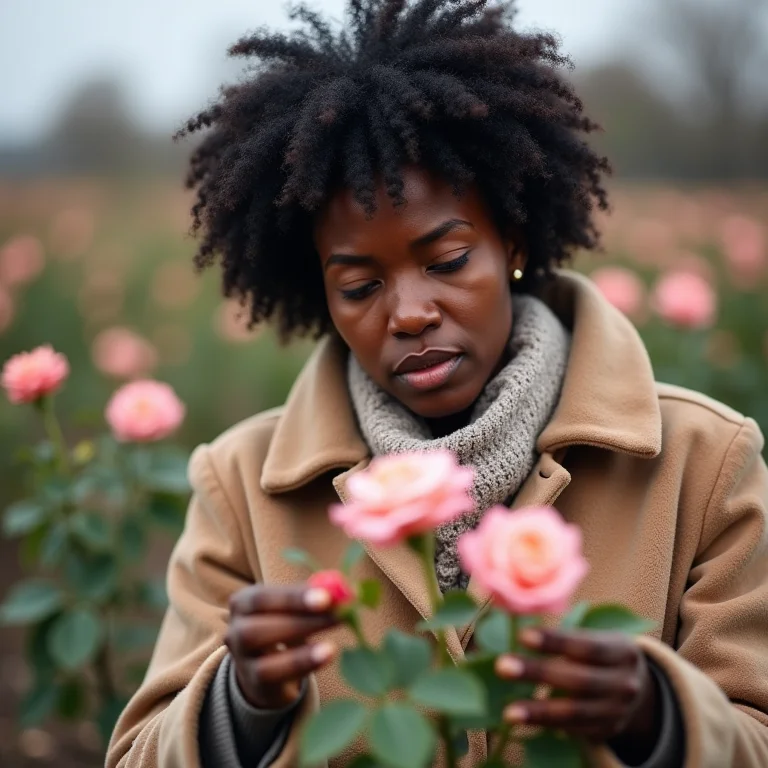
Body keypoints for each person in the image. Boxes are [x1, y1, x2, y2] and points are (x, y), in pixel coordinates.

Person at [106, 1, 768, 767]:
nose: (410, 313)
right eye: (360, 286)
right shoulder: (240, 489)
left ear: (512, 242)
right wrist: (239, 704)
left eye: (447, 261)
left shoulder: (704, 463)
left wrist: (658, 716)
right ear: (321, 294)